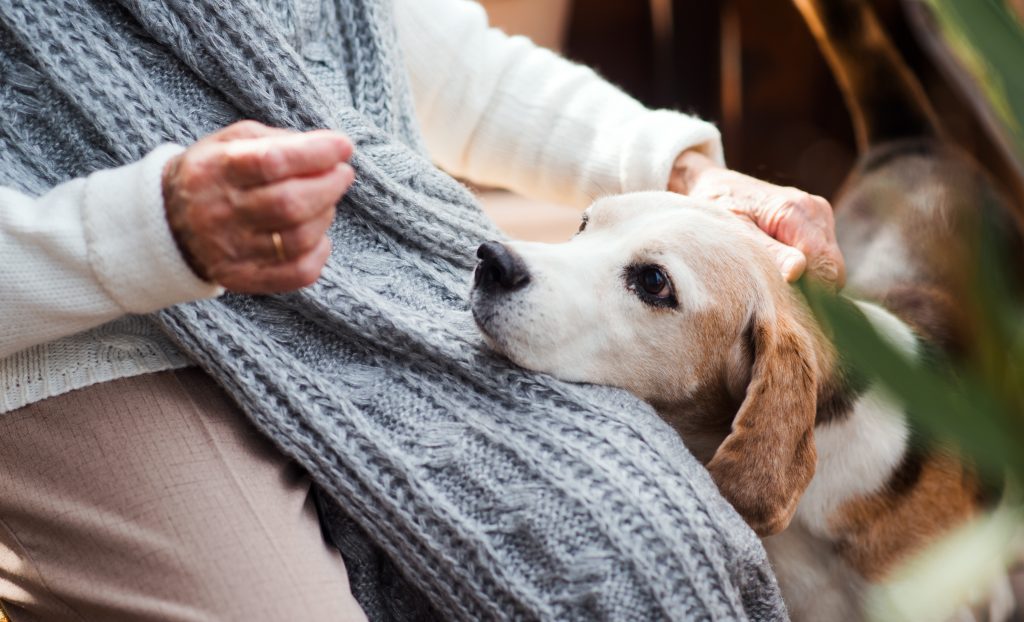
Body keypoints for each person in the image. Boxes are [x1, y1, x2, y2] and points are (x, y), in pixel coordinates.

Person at [0, 0, 843, 620]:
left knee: (658, 550)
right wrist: (151, 231)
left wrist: (684, 174)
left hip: (373, 287)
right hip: (88, 339)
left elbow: (446, 67)